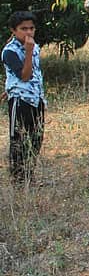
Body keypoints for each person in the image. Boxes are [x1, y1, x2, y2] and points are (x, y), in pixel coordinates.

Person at [3, 11, 46, 183]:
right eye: (23, 29)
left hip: (36, 98)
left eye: (31, 28)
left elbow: (35, 74)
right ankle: (18, 178)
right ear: (13, 30)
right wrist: (28, 52)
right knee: (19, 139)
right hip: (21, 100)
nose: (28, 32)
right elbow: (24, 76)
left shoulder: (35, 47)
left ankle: (29, 174)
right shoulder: (10, 51)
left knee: (36, 138)